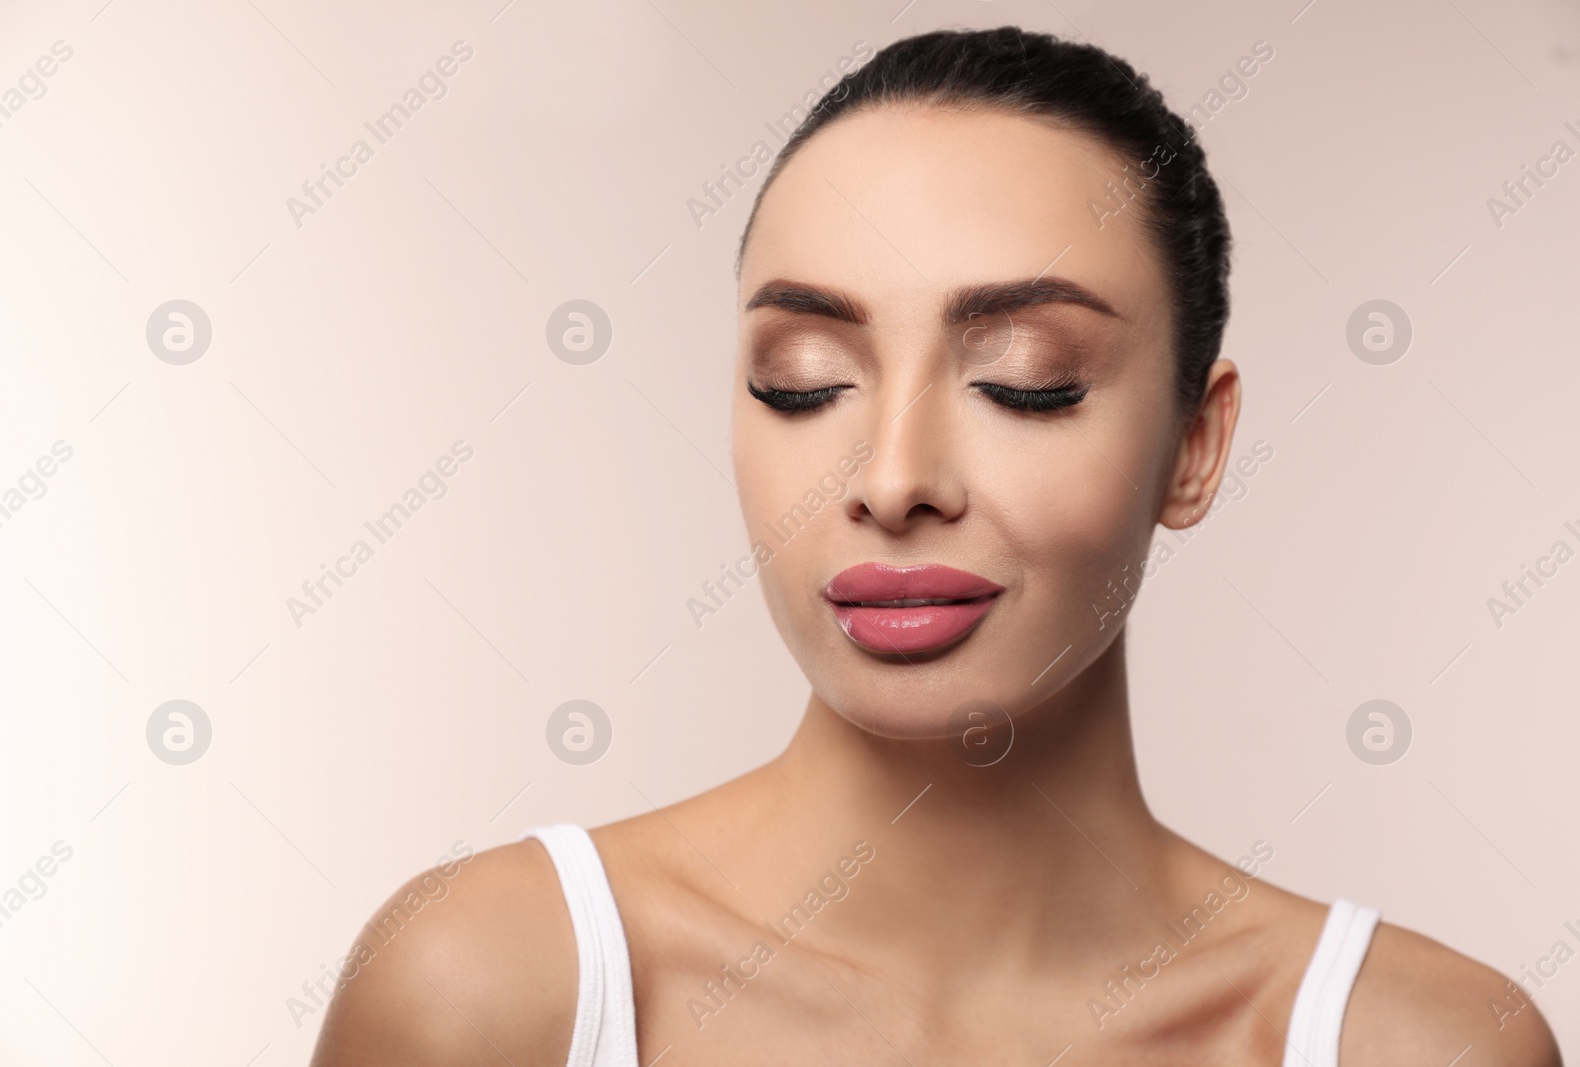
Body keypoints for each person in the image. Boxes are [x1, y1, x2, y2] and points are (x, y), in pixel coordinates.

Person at [310, 26, 1561, 1065]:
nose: (893, 480)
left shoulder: (1417, 1041)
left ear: (1195, 442)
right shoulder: (487, 989)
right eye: (802, 383)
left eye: (1027, 381)